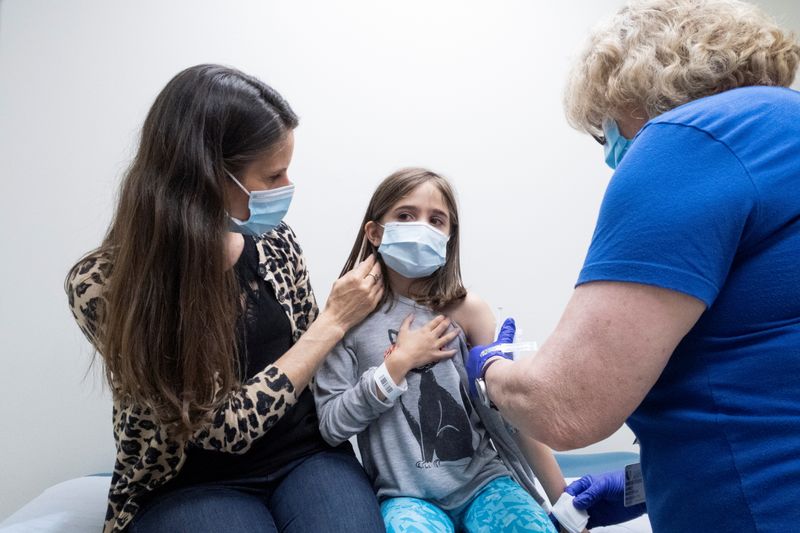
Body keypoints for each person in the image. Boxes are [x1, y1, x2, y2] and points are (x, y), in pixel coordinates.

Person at [465, 1, 800, 531]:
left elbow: (565, 406)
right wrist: (640, 482)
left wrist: (490, 369)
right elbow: (766, 368)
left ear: (628, 88)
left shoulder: (688, 140)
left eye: (605, 131)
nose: (609, 152)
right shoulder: (784, 130)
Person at [65, 64, 398, 533]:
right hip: (188, 482)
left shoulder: (276, 241)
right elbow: (224, 428)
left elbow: (319, 374)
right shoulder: (103, 285)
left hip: (305, 456)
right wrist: (334, 321)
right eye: (273, 175)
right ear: (207, 176)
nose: (287, 190)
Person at [314, 168, 566, 533]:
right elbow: (332, 426)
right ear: (374, 232)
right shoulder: (347, 318)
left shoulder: (468, 311)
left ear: (449, 236)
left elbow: (511, 417)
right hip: (406, 498)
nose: (421, 227)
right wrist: (397, 365)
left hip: (483, 483)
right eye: (405, 216)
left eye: (436, 220)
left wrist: (566, 505)